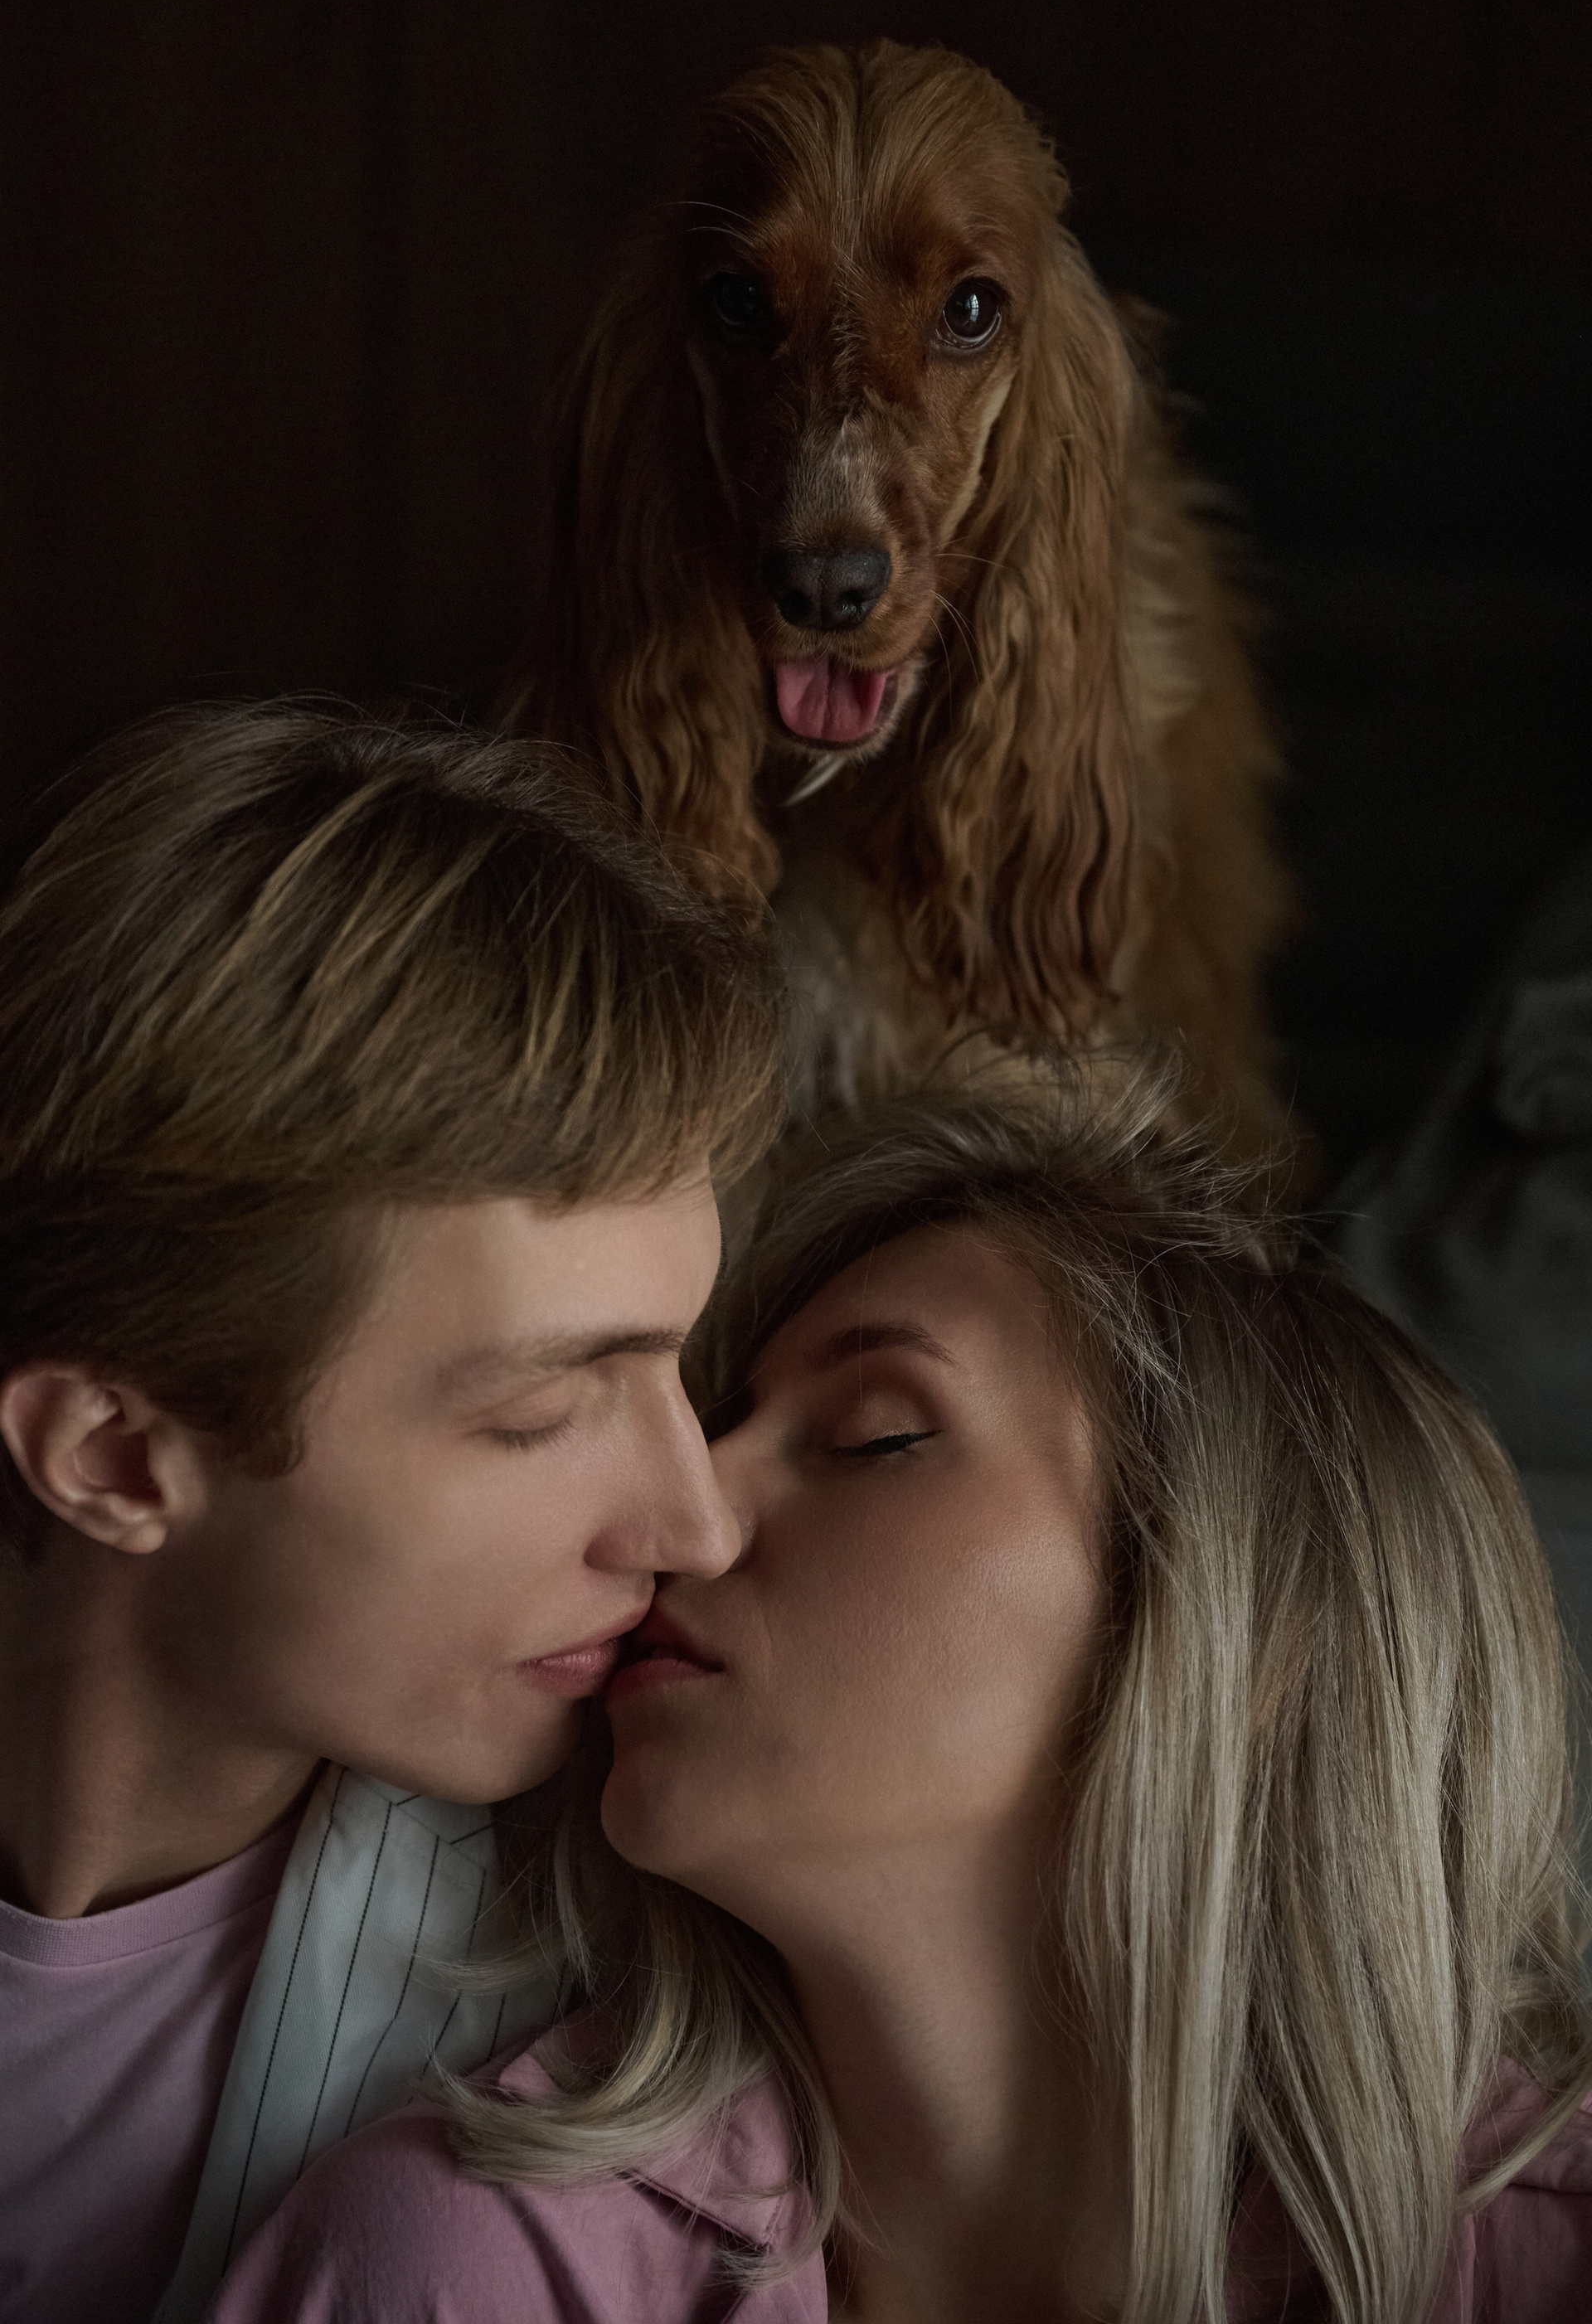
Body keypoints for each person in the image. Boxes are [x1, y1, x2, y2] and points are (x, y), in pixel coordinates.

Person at [205, 1059, 1592, 2324]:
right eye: (723, 1420)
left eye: (875, 1437)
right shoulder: (468, 2272)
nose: (685, 1515)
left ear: (1241, 1630)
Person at [0, 701, 784, 2324]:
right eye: (540, 1416)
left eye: (682, 1367)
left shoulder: (621, 2026)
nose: (695, 1522)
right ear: (114, 1459)